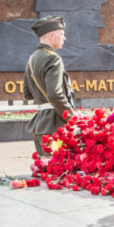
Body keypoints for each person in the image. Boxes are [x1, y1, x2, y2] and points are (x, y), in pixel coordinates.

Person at [24, 15, 76, 156]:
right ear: (51, 35)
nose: (64, 38)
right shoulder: (53, 58)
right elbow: (54, 94)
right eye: (62, 34)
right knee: (62, 172)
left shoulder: (32, 58)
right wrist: (72, 117)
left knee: (46, 172)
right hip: (56, 125)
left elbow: (27, 93)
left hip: (40, 124)